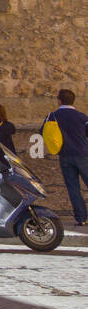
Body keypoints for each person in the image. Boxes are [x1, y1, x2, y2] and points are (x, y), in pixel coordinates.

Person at [45, 89, 88, 227]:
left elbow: (44, 131)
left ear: (59, 100)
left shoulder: (52, 116)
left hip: (64, 156)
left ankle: (81, 218)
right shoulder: (82, 117)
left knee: (73, 188)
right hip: (83, 155)